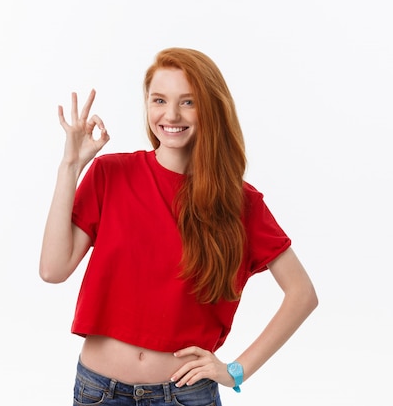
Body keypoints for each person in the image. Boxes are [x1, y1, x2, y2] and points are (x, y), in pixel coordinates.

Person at [39, 47, 318, 405]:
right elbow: (52, 269)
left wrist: (236, 370)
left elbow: (302, 294)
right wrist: (70, 166)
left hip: (184, 397)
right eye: (159, 100)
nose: (170, 114)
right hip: (99, 392)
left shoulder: (240, 203)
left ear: (210, 109)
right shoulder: (111, 174)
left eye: (188, 102)